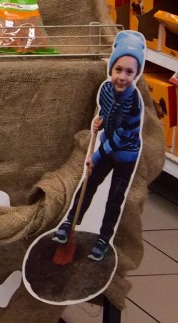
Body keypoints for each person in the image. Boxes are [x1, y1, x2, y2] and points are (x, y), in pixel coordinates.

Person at [52, 31, 145, 262]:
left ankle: (104, 239)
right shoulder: (105, 89)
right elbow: (106, 111)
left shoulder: (134, 101)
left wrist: (95, 156)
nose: (122, 77)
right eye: (118, 69)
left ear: (136, 74)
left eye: (129, 72)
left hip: (125, 155)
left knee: (115, 198)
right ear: (111, 69)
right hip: (107, 147)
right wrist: (100, 121)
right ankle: (70, 223)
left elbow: (121, 137)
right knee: (88, 184)